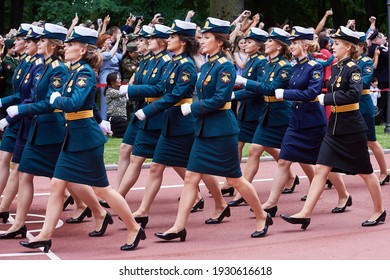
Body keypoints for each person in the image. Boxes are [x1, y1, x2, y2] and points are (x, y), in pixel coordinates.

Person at [19, 26, 145, 252]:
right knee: (57, 185)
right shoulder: (75, 71)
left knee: (102, 190)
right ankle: (45, 235)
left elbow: (75, 103)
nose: (65, 48)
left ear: (83, 48)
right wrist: (98, 118)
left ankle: (134, 227)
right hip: (74, 136)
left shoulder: (84, 72)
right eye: (66, 44)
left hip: (85, 139)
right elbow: (88, 104)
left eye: (70, 44)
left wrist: (57, 100)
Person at [155, 17, 272, 242]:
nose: (202, 41)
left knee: (235, 179)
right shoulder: (207, 64)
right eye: (201, 37)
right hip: (204, 130)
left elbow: (220, 100)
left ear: (219, 42)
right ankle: (178, 226)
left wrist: (193, 108)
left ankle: (262, 215)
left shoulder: (225, 66)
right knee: (190, 177)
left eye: (206, 38)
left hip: (221, 130)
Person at [280, 26, 386, 230]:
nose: (332, 46)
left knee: (365, 172)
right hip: (334, 127)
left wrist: (325, 98)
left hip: (352, 128)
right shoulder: (337, 67)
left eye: (337, 44)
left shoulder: (353, 68)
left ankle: (379, 210)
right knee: (321, 169)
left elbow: (354, 94)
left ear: (348, 47)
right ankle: (305, 213)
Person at [260, 26, 351, 217]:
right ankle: (270, 203)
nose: (291, 46)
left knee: (324, 163)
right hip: (296, 121)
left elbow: (312, 92)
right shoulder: (295, 67)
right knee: (284, 161)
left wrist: (285, 94)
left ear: (304, 44)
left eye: (294, 43)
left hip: (312, 122)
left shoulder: (315, 66)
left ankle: (344, 195)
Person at [232, 27, 297, 205]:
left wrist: (243, 82)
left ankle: (322, 180)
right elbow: (260, 87)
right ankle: (242, 192)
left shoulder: (283, 66)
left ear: (278, 46)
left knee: (301, 155)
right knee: (254, 150)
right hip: (267, 112)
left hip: (281, 114)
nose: (266, 44)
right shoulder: (268, 63)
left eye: (269, 41)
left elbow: (268, 89)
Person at [0, 25, 45, 226]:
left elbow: (31, 96)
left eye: (27, 41)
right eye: (21, 40)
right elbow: (21, 92)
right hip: (19, 116)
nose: (21, 43)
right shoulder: (25, 62)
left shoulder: (40, 65)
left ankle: (89, 207)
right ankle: (3, 208)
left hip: (29, 119)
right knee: (11, 163)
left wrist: (10, 114)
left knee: (61, 176)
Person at [225, 27, 268, 206]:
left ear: (258, 45)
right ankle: (232, 182)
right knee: (239, 144)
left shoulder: (261, 62)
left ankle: (241, 190)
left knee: (261, 149)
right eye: (245, 41)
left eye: (249, 42)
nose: (245, 44)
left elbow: (258, 89)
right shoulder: (250, 61)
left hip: (257, 111)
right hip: (246, 110)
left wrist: (237, 95)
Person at [115, 26, 152, 191]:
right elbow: (134, 81)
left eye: (141, 40)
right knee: (125, 149)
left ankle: (196, 196)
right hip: (140, 108)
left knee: (167, 159)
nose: (137, 43)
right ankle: (116, 191)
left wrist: (131, 90)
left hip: (153, 112)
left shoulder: (160, 62)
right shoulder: (144, 61)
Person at [356, 31, 389, 185]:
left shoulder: (366, 62)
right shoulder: (349, 62)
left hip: (363, 106)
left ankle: (384, 171)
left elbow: (363, 83)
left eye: (354, 45)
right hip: (349, 106)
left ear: (362, 47)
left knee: (371, 141)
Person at [105, 72, 129, 137]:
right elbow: (124, 92)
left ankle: (112, 132)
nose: (120, 80)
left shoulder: (119, 90)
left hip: (123, 119)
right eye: (118, 79)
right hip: (116, 119)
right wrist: (132, 80)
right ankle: (112, 132)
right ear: (112, 82)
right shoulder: (110, 91)